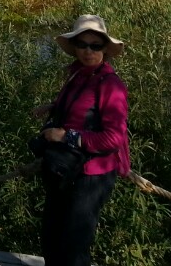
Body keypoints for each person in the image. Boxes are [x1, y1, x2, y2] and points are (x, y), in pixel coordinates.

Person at [33, 14, 129, 266]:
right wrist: (54, 107)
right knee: (51, 237)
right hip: (65, 169)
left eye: (95, 45)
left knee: (74, 246)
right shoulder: (79, 75)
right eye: (82, 44)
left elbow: (114, 138)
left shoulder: (111, 86)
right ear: (74, 47)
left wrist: (67, 135)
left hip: (91, 176)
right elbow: (84, 110)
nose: (88, 51)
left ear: (105, 49)